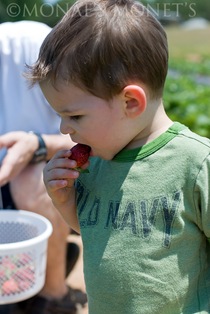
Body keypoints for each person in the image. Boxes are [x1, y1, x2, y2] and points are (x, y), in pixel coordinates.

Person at [27, 0, 210, 313]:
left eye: (75, 116)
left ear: (131, 102)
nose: (63, 128)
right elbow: (96, 231)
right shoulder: (96, 161)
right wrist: (65, 202)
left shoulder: (195, 163)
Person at [0, 21, 86, 314]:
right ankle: (29, 275)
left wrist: (36, 144)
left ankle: (53, 295)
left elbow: (91, 131)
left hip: (34, 188)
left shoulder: (31, 44)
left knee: (33, 178)